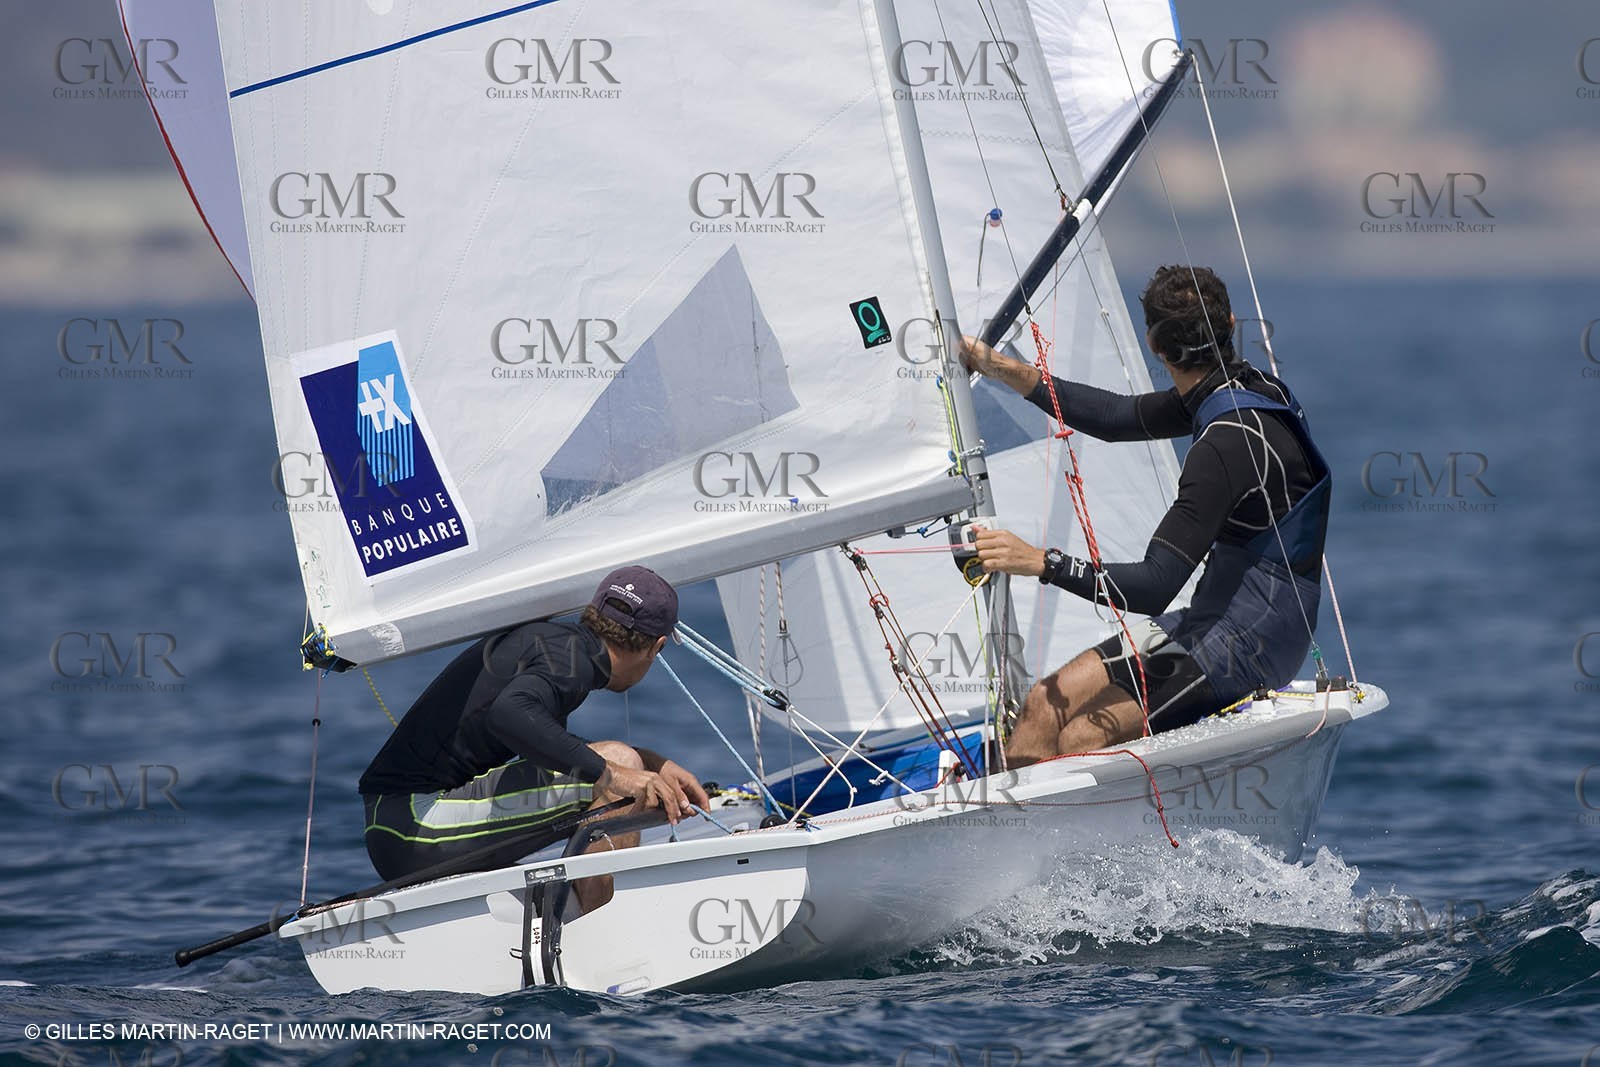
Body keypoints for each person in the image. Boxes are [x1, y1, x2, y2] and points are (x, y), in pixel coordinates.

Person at [959, 265, 1331, 765]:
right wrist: (1003, 368)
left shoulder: (1223, 447)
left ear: (1156, 348)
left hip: (1253, 642)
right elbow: (1117, 417)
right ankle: (1019, 818)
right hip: (1210, 621)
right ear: (1229, 323)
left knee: (1082, 738)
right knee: (1043, 705)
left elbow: (1155, 585)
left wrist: (1040, 562)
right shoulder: (1247, 389)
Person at [358, 565, 709, 911]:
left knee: (624, 762)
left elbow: (544, 742)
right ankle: (600, 923)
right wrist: (620, 773)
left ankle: (588, 912)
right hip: (413, 827)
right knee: (619, 770)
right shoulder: (571, 664)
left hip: (395, 825)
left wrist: (650, 764)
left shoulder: (559, 647)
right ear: (656, 647)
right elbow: (508, 714)